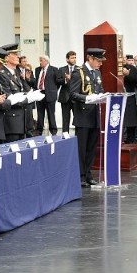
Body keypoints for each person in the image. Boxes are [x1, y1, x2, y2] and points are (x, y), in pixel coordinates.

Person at [70, 48, 105, 186]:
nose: (100, 64)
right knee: (82, 148)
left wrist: (103, 96)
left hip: (94, 116)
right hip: (83, 116)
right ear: (90, 58)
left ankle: (89, 174)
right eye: (98, 61)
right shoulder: (78, 72)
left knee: (91, 148)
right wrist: (88, 98)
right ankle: (80, 176)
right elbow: (72, 94)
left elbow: (100, 90)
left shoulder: (97, 73)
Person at [0, 43, 30, 142]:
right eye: (15, 54)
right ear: (6, 58)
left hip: (20, 120)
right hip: (11, 121)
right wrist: (27, 99)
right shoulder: (2, 74)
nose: (18, 57)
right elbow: (8, 97)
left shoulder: (15, 73)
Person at [34, 55, 63, 135]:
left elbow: (58, 82)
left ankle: (53, 130)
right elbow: (36, 81)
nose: (40, 62)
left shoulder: (54, 69)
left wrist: (53, 90)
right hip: (39, 93)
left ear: (46, 61)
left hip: (49, 94)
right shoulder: (37, 70)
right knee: (40, 113)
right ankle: (39, 130)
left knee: (51, 113)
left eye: (41, 60)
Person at [58, 51, 78, 134]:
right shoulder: (62, 69)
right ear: (67, 59)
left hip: (76, 97)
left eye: (75, 57)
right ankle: (65, 135)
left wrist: (72, 79)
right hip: (65, 97)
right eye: (72, 58)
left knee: (77, 118)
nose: (74, 59)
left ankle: (78, 135)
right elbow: (58, 81)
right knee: (65, 118)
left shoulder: (79, 69)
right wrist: (65, 80)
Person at [122, 55, 137, 143]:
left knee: (131, 123)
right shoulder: (122, 68)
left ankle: (130, 139)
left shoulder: (133, 69)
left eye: (132, 60)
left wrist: (128, 75)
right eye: (128, 60)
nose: (130, 61)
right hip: (124, 98)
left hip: (131, 99)